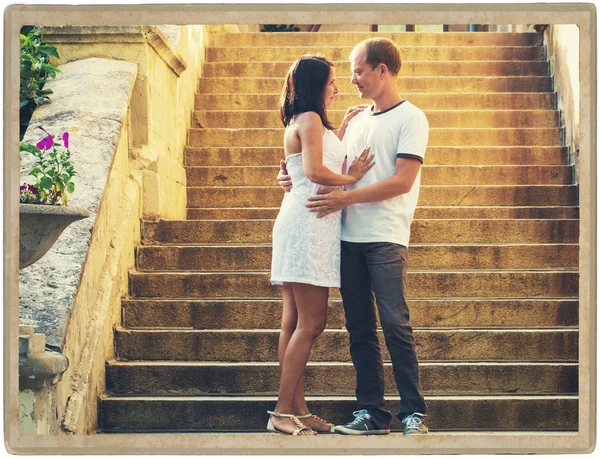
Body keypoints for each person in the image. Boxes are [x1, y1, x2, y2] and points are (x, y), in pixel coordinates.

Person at [277, 38, 430, 435]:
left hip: (385, 236)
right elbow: (325, 163)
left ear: (382, 69)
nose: (351, 79)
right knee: (359, 328)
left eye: (358, 71)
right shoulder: (357, 120)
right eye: (346, 73)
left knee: (395, 324)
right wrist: (289, 175)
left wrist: (346, 194)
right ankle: (372, 413)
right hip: (344, 237)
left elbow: (403, 180)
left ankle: (413, 412)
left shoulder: (411, 117)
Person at [268, 55, 375, 436]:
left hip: (303, 219)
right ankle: (282, 411)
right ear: (316, 84)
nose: (337, 86)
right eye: (332, 81)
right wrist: (353, 175)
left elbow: (308, 164)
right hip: (309, 222)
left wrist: (342, 130)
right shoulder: (310, 120)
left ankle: (297, 409)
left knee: (294, 322)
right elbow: (314, 172)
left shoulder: (305, 120)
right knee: (311, 322)